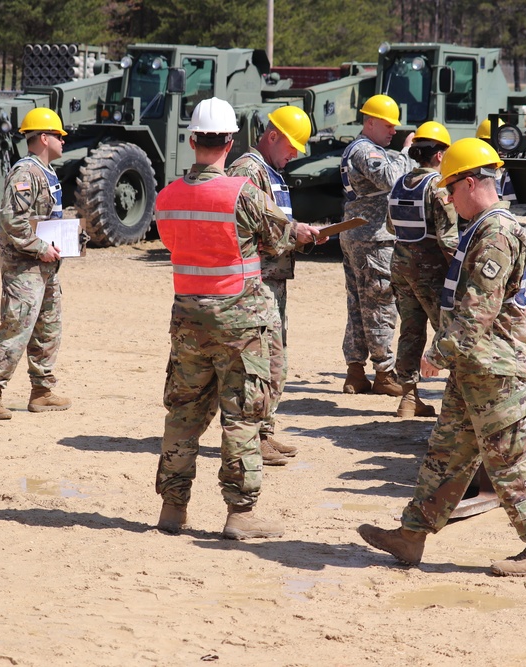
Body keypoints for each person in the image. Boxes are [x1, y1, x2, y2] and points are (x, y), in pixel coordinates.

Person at [357, 137, 526, 576]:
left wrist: (439, 353)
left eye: (451, 188)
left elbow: (477, 310)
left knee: (511, 456)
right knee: (446, 452)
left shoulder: (496, 233)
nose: (447, 198)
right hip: (476, 366)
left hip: (494, 367)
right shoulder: (481, 228)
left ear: (471, 183)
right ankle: (411, 536)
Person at [153, 97, 319, 540]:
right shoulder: (242, 193)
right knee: (242, 416)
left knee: (183, 413)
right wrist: (303, 234)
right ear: (230, 143)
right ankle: (239, 513)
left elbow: (174, 242)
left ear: (191, 141)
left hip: (188, 317)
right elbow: (282, 235)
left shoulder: (167, 197)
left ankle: (173, 509)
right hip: (240, 322)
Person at [227, 105, 317, 466]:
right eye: (291, 145)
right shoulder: (248, 170)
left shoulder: (268, 171)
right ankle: (253, 436)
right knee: (261, 363)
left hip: (272, 280)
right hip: (256, 283)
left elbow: (274, 223)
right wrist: (295, 235)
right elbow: (244, 230)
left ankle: (264, 430)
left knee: (275, 358)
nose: (294, 154)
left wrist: (300, 233)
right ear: (272, 136)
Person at [0, 108, 71, 420]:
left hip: (44, 265)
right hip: (24, 266)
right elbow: (13, 222)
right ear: (44, 138)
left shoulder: (46, 172)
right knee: (17, 326)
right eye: (59, 136)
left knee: (48, 327)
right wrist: (41, 246)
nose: (63, 141)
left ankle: (42, 391)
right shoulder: (25, 174)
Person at [339, 94, 414, 396]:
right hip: (373, 239)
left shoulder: (366, 149)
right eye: (387, 124)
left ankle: (355, 371)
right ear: (369, 122)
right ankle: (384, 373)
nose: (393, 130)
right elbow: (392, 178)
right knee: (380, 303)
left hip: (360, 235)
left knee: (359, 304)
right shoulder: (366, 150)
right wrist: (408, 153)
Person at [387, 121, 457, 418]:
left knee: (410, 331)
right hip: (431, 271)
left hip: (400, 265)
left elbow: (391, 225)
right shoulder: (438, 188)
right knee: (450, 330)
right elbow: (448, 239)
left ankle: (408, 398)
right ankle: (457, 400)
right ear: (440, 155)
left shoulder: (401, 183)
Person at [476, 117, 516, 202]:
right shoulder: (478, 172)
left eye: (502, 143)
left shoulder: (511, 171)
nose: (499, 149)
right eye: (492, 143)